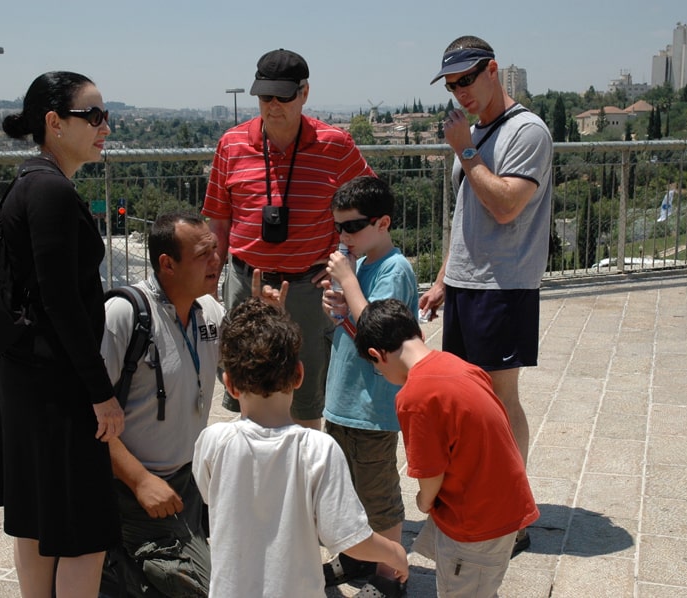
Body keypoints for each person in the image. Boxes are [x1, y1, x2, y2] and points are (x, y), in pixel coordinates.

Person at [418, 36, 553, 554]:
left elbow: (504, 206)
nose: (459, 94)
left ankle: (515, 516)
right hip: (469, 285)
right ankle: (484, 499)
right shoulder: (475, 133)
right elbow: (466, 216)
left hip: (505, 285)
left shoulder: (527, 131)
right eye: (451, 85)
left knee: (500, 401)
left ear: (492, 70)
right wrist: (443, 280)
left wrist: (465, 151)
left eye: (466, 80)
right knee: (469, 402)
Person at [0, 71, 123, 598]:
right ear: (54, 122)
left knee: (35, 518)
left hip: (28, 374)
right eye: (92, 116)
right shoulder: (49, 189)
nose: (104, 127)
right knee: (83, 531)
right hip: (58, 383)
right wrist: (101, 394)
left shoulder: (31, 179)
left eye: (105, 115)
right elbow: (61, 301)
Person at [202, 48, 375, 430]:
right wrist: (210, 285)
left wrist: (342, 260)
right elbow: (218, 222)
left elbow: (371, 207)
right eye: (266, 97)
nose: (274, 106)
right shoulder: (231, 145)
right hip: (247, 283)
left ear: (305, 93)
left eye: (284, 96)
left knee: (305, 399)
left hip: (307, 290)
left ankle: (302, 484)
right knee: (246, 391)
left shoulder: (335, 145)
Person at [192, 298, 409, 597]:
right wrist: (394, 553)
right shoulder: (318, 449)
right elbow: (348, 538)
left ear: (229, 385)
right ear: (299, 375)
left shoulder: (213, 442)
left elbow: (208, 494)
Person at [355, 299, 539, 598]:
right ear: (419, 335)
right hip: (505, 506)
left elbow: (431, 473)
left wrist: (424, 500)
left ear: (377, 355)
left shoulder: (414, 395)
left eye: (375, 367)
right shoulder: (458, 365)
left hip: (477, 521)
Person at [98, 214, 222, 596]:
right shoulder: (124, 315)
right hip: (132, 489)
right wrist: (139, 480)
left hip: (187, 487)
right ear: (167, 264)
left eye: (216, 249)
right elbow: (84, 412)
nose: (217, 261)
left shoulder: (211, 312)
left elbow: (249, 377)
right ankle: (115, 563)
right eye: (204, 254)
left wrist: (270, 319)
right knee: (212, 590)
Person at [320, 176, 417, 597]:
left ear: (383, 223)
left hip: (372, 406)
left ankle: (388, 575)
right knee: (347, 490)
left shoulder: (394, 268)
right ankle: (357, 554)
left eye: (353, 227)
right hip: (344, 399)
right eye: (338, 227)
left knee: (377, 495)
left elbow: (379, 331)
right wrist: (339, 307)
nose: (344, 236)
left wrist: (350, 283)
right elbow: (357, 322)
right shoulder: (362, 264)